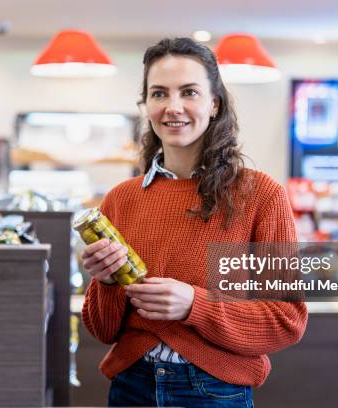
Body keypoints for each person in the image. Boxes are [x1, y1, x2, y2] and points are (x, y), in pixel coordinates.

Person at [81, 37, 307, 407]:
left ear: (214, 103)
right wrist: (106, 281)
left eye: (189, 92)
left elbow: (286, 320)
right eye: (159, 94)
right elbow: (104, 330)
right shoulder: (120, 199)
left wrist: (194, 306)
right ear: (146, 106)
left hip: (215, 391)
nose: (173, 107)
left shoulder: (261, 195)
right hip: (131, 386)